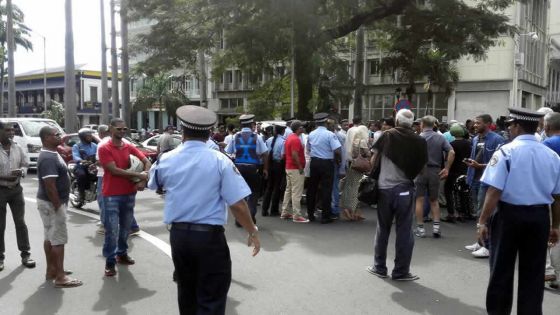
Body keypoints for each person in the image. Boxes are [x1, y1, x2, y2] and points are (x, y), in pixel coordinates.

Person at [149, 105, 260, 315]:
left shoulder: (166, 159)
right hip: (209, 239)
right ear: (210, 132)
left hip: (179, 236)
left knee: (186, 292)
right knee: (211, 296)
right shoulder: (220, 160)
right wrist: (252, 231)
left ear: (182, 131)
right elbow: (237, 203)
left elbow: (154, 184)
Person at [477, 107, 560, 315]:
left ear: (516, 126)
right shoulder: (552, 156)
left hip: (509, 216)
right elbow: (558, 196)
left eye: (510, 125)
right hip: (539, 217)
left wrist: (482, 221)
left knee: (501, 270)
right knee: (533, 272)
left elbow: (494, 190)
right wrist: (556, 225)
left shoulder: (505, 152)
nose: (509, 129)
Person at [366, 109, 427, 281]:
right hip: (405, 190)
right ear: (412, 123)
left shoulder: (386, 136)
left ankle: (379, 267)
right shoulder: (420, 141)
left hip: (384, 189)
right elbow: (422, 169)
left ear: (397, 121)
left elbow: (372, 161)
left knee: (382, 229)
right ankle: (401, 271)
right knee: (404, 232)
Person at [97, 118, 152, 277]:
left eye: (124, 129)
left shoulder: (128, 146)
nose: (122, 131)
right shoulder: (104, 148)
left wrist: (143, 178)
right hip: (111, 195)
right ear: (111, 128)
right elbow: (113, 170)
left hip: (129, 194)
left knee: (126, 228)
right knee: (112, 230)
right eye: (119, 129)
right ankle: (110, 261)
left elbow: (146, 161)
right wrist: (138, 175)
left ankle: (122, 253)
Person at [36, 126, 82, 287]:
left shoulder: (52, 154)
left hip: (49, 203)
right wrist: (58, 206)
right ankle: (60, 277)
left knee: (50, 236)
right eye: (56, 135)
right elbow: (50, 185)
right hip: (52, 203)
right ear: (47, 138)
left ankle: (52, 270)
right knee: (58, 239)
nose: (60, 137)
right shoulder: (48, 158)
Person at [464, 114, 505, 257]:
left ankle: (487, 246)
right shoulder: (475, 139)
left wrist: (479, 165)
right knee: (478, 211)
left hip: (487, 181)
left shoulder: (497, 139)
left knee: (485, 213)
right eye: (475, 123)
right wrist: (471, 165)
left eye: (478, 123)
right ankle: (480, 241)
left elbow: (499, 163)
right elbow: (474, 157)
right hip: (474, 179)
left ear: (488, 123)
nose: (475, 125)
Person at [0, 121, 35, 271]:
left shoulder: (17, 146)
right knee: (0, 225)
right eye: (8, 130)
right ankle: (0, 258)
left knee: (20, 223)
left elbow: (25, 164)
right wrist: (3, 177)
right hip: (0, 190)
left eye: (13, 131)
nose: (12, 133)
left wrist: (21, 171)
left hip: (16, 190)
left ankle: (25, 254)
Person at [414, 115, 455, 238]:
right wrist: (446, 168)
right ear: (434, 125)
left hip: (420, 171)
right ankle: (436, 227)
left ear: (422, 125)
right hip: (435, 171)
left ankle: (420, 229)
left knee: (420, 200)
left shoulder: (418, 138)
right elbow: (451, 152)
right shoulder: (440, 137)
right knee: (434, 200)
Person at [225, 114, 269, 225]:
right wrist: (265, 169)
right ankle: (251, 214)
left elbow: (228, 151)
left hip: (239, 168)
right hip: (253, 168)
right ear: (251, 124)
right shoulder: (257, 137)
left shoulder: (235, 136)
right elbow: (265, 153)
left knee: (240, 194)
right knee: (254, 193)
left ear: (241, 124)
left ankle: (239, 219)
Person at [306, 113, 342, 223]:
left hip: (314, 162)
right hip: (327, 163)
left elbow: (308, 148)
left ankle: (310, 214)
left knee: (312, 189)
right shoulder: (330, 135)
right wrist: (338, 159)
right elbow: (337, 150)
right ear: (326, 122)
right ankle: (325, 216)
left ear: (316, 123)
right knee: (327, 189)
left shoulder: (311, 134)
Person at [543, 112, 560, 289]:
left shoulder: (547, 144)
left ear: (547, 127)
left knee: (553, 235)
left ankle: (549, 270)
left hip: (553, 195)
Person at [442, 124, 472, 223]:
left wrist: (446, 168)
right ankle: (462, 213)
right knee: (463, 192)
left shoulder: (452, 144)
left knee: (448, 190)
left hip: (453, 171)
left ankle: (451, 213)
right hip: (465, 170)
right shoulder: (469, 143)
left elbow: (448, 158)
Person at [280, 120, 309, 223]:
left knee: (289, 190)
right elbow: (295, 155)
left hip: (289, 167)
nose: (303, 128)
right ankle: (296, 215)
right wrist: (300, 167)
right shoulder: (295, 139)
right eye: (301, 127)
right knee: (297, 192)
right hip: (295, 168)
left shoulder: (289, 138)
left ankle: (285, 212)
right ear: (298, 128)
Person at [340, 124, 369, 221]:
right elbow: (367, 153)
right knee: (357, 189)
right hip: (359, 168)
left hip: (352, 165)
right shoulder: (362, 141)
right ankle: (352, 211)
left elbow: (353, 154)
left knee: (349, 187)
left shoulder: (353, 140)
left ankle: (349, 210)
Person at [262, 124, 286, 217]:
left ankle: (264, 209)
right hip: (278, 165)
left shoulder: (269, 140)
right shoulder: (283, 141)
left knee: (269, 187)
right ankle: (274, 210)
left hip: (269, 163)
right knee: (277, 187)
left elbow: (265, 152)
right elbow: (283, 155)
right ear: (283, 131)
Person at [72, 128, 98, 202]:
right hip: (81, 166)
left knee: (102, 174)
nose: (90, 137)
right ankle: (81, 195)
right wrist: (81, 160)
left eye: (90, 135)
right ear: (83, 137)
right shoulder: (77, 146)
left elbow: (99, 154)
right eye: (88, 136)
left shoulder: (94, 145)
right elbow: (75, 156)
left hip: (93, 165)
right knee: (82, 175)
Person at [95, 125, 110, 235]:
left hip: (103, 174)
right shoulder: (123, 141)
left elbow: (99, 161)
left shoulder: (102, 143)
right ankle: (132, 225)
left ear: (100, 133)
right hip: (119, 174)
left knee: (102, 199)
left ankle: (104, 225)